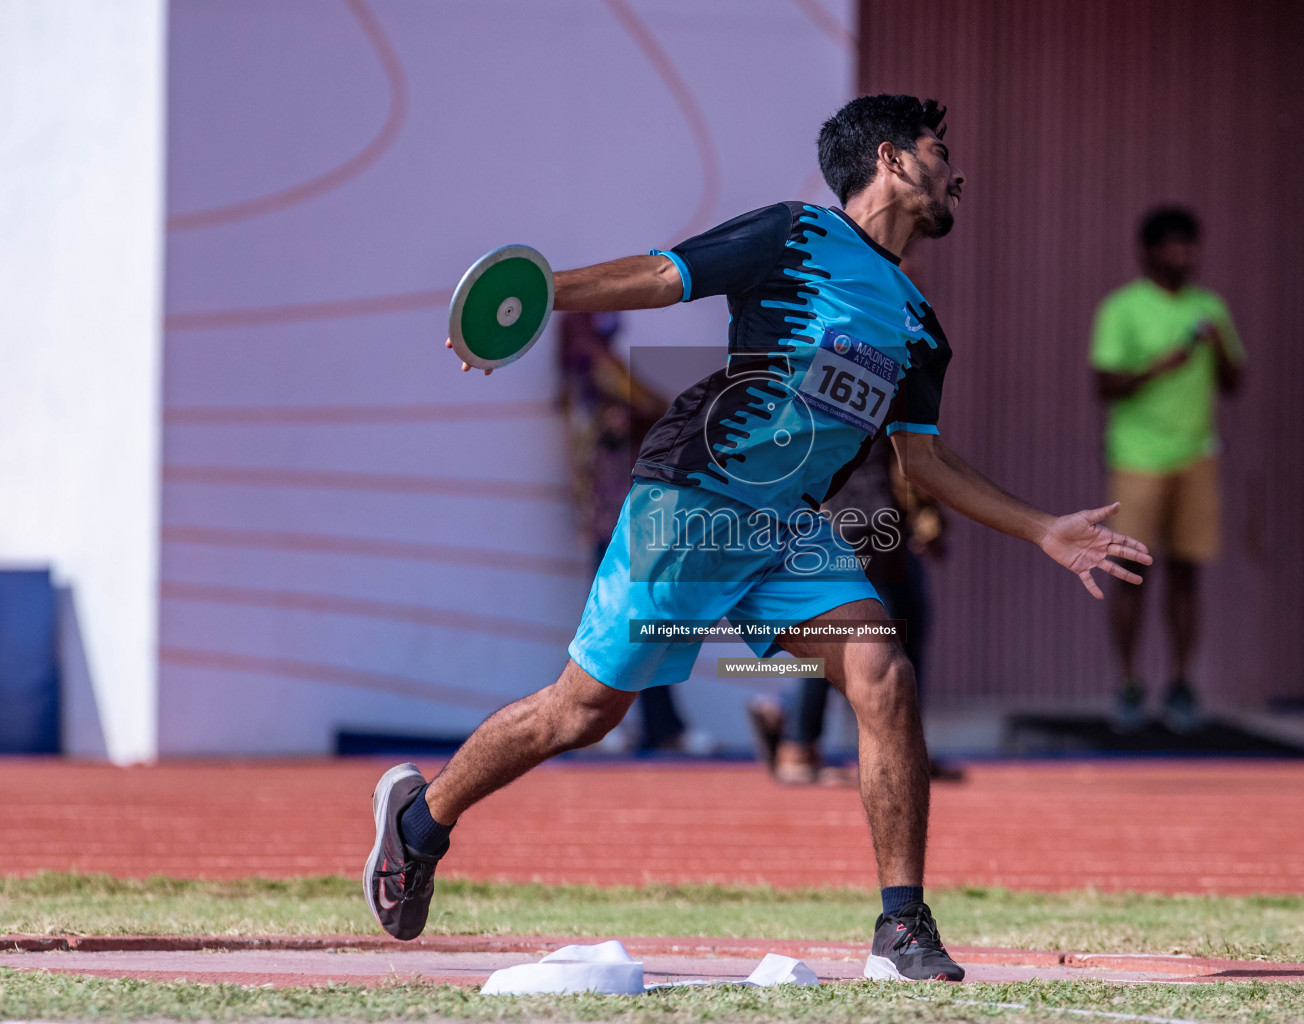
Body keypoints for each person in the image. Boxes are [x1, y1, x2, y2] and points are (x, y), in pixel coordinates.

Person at [370, 94, 1151, 983]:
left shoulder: (921, 327)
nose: (956, 172)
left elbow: (924, 467)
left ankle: (901, 928)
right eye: (941, 151)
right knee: (582, 712)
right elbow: (666, 276)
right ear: (891, 159)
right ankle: (420, 822)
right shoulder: (796, 235)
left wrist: (1044, 528)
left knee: (883, 674)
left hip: (789, 528)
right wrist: (537, 297)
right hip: (694, 498)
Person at [1089, 206, 1245, 732]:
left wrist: (1219, 344)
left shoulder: (1210, 307)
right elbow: (1104, 385)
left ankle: (1181, 685)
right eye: (1177, 245)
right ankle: (1130, 684)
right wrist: (1162, 365)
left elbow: (1234, 382)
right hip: (1137, 459)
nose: (1188, 255)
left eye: (1193, 245)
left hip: (1197, 455)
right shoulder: (1123, 308)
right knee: (1131, 574)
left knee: (1187, 572)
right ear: (1149, 251)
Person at [749, 434, 961, 784]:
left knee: (881, 635)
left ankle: (806, 735)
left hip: (867, 521)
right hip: (856, 524)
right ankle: (801, 743)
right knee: (857, 638)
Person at [557, 312, 711, 755]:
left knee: (642, 625)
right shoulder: (592, 377)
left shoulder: (592, 382)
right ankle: (623, 725)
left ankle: (650, 725)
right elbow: (657, 407)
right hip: (618, 522)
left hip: (625, 520)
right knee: (627, 628)